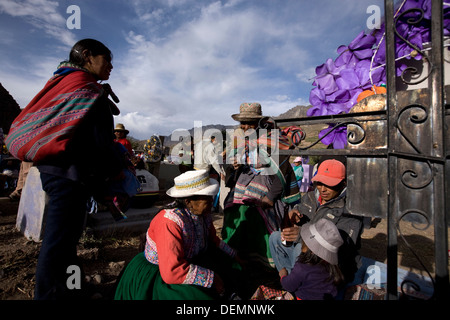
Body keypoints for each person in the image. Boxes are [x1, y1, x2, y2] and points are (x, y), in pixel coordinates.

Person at [7, 39, 128, 299]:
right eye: (106, 60)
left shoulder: (61, 84)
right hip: (69, 174)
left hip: (55, 171)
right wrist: (115, 169)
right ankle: (49, 294)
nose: (111, 66)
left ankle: (73, 288)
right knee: (59, 241)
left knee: (68, 238)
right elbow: (99, 141)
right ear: (87, 56)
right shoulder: (87, 90)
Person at [114, 169, 244, 300]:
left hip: (189, 261)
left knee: (230, 268)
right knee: (191, 296)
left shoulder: (203, 214)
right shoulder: (170, 223)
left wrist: (234, 254)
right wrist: (212, 278)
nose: (212, 201)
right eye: (206, 198)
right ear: (188, 201)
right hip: (164, 272)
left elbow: (213, 240)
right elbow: (172, 271)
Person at [221, 102, 301, 269]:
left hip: (266, 192)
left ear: (259, 122)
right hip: (241, 190)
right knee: (235, 215)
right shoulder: (243, 143)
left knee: (258, 223)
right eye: (242, 123)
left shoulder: (274, 139)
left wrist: (270, 197)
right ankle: (235, 259)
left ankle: (265, 266)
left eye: (249, 122)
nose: (244, 126)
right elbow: (232, 168)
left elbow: (283, 169)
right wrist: (235, 167)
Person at [269, 159, 364, 286]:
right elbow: (301, 208)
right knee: (275, 238)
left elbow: (341, 248)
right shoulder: (311, 197)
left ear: (343, 184)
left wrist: (302, 235)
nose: (322, 189)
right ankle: (290, 277)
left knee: (302, 251)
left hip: (332, 266)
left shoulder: (351, 209)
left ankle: (297, 284)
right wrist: (295, 213)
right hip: (306, 251)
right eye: (319, 183)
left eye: (329, 184)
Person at [279, 219, 344, 300]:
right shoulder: (333, 267)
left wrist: (283, 275)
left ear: (312, 250)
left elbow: (288, 286)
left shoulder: (302, 268)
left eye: (304, 241)